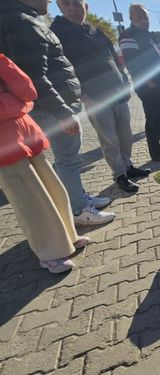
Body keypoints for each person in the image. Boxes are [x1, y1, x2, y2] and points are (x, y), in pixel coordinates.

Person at [0, 0, 116, 226]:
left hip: (53, 105)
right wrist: (63, 112)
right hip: (51, 108)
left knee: (69, 159)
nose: (49, 1)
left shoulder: (22, 18)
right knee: (68, 160)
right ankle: (78, 210)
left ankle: (77, 199)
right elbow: (35, 77)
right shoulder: (22, 21)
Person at [0, 54, 91, 273]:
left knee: (53, 190)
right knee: (30, 202)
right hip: (4, 144)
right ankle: (48, 253)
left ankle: (67, 237)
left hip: (25, 132)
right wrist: (15, 104)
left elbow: (28, 91)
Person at [51, 0, 151, 194]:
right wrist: (83, 96)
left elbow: (113, 56)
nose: (73, 8)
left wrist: (124, 82)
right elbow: (61, 70)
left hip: (116, 92)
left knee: (125, 134)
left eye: (77, 4)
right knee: (109, 139)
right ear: (59, 7)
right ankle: (119, 174)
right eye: (67, 4)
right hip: (95, 97)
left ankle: (128, 166)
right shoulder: (58, 33)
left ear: (86, 7)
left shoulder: (94, 30)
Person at [118, 3, 160, 162]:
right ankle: (156, 153)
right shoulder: (128, 36)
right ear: (131, 18)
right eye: (140, 17)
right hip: (151, 88)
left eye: (145, 17)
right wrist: (150, 82)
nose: (144, 20)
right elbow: (133, 62)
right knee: (155, 119)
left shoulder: (148, 35)